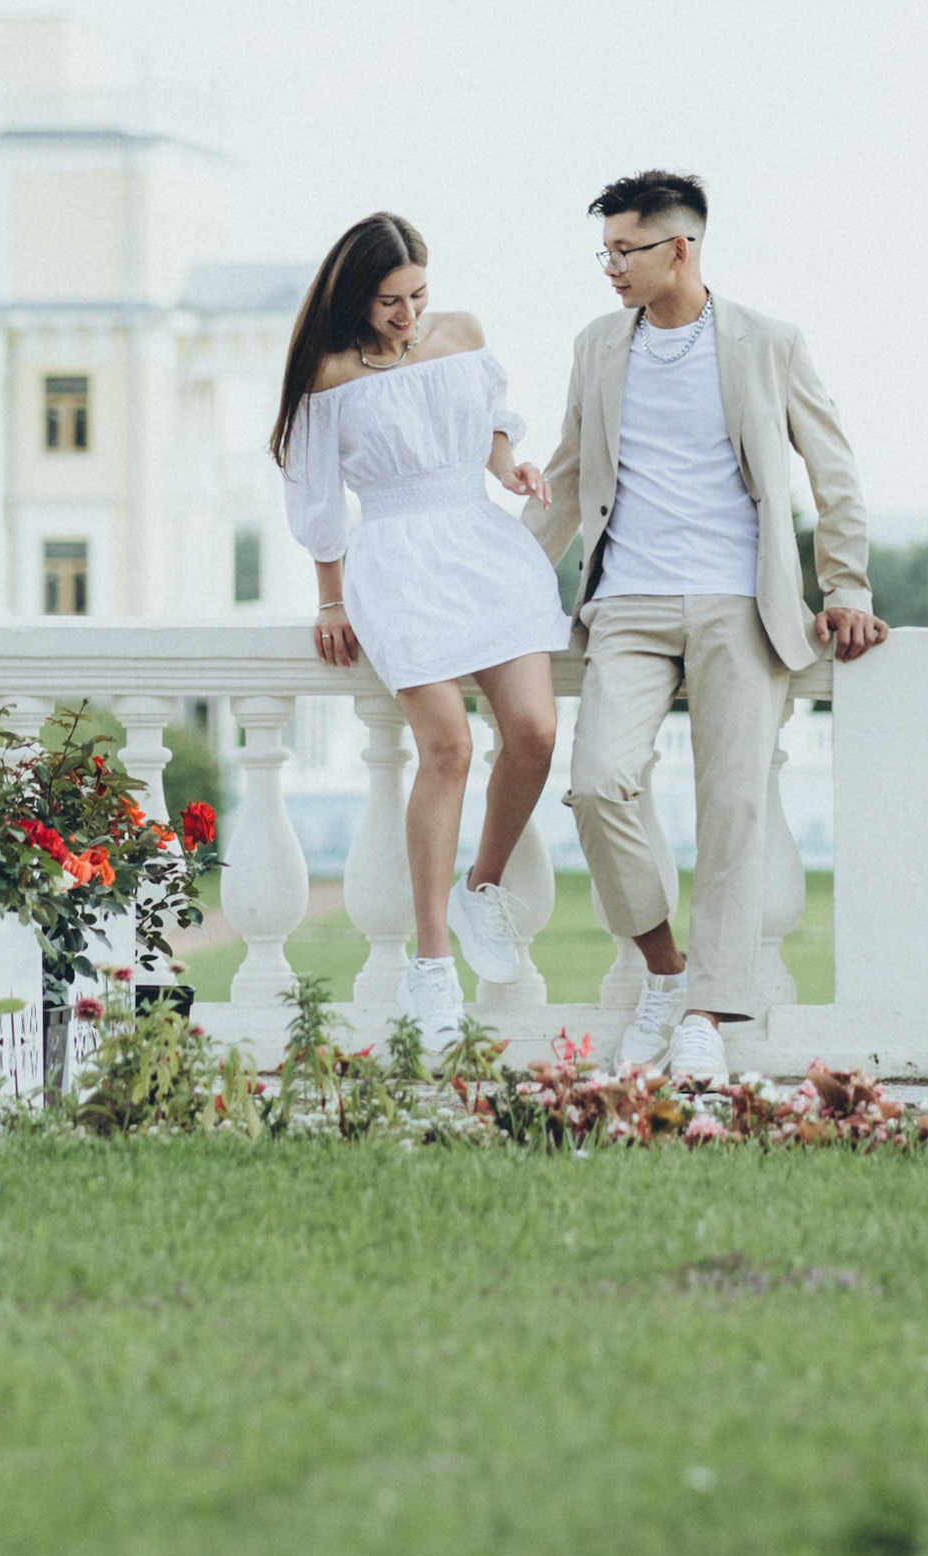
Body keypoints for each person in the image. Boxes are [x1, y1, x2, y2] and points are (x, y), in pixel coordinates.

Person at [527, 168, 885, 1085]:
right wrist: (505, 588)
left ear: (679, 247)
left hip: (741, 603)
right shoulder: (599, 346)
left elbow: (832, 470)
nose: (609, 267)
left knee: (733, 808)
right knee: (600, 781)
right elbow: (567, 481)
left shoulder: (769, 343)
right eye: (603, 251)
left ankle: (707, 1014)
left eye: (624, 250)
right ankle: (663, 971)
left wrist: (846, 586)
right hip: (628, 604)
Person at [273, 211, 569, 1056]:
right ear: (352, 297)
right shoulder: (328, 375)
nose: (406, 315)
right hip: (397, 560)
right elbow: (318, 495)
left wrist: (510, 464)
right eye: (388, 301)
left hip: (481, 541)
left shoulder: (462, 334)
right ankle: (432, 968)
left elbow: (492, 423)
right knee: (447, 748)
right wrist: (330, 599)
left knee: (536, 732)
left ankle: (485, 884)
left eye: (417, 295)